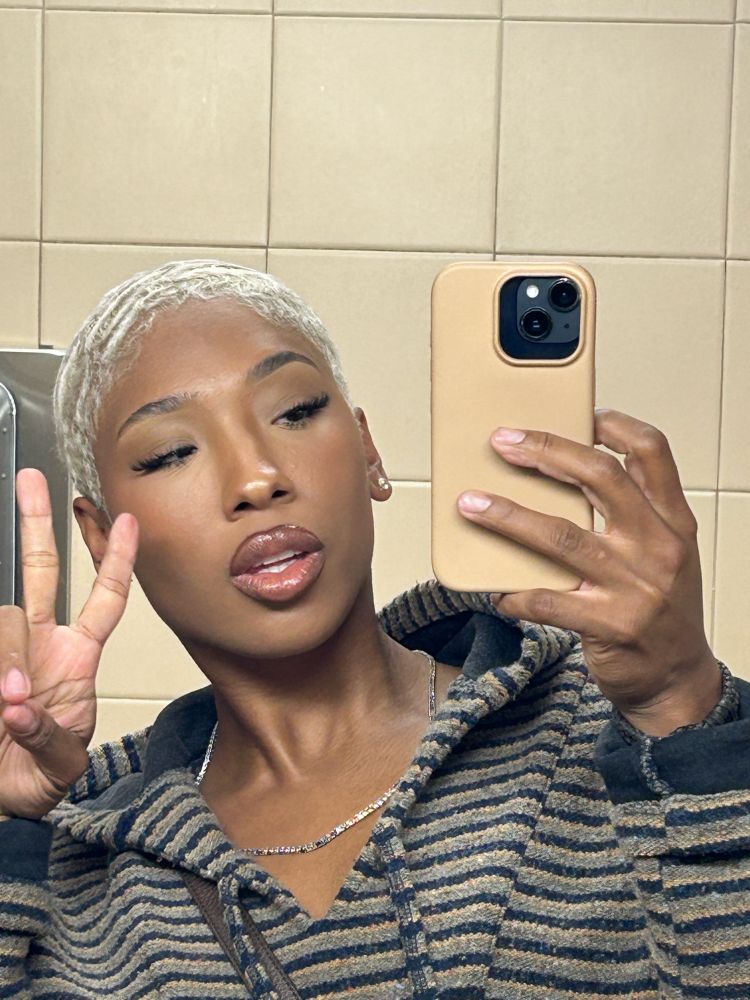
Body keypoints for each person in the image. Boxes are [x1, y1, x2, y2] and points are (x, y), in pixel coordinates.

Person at [0, 258, 748, 999]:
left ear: (368, 453)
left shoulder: (623, 730)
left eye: (295, 412)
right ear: (104, 537)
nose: (257, 477)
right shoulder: (69, 861)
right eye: (172, 453)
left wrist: (681, 707)